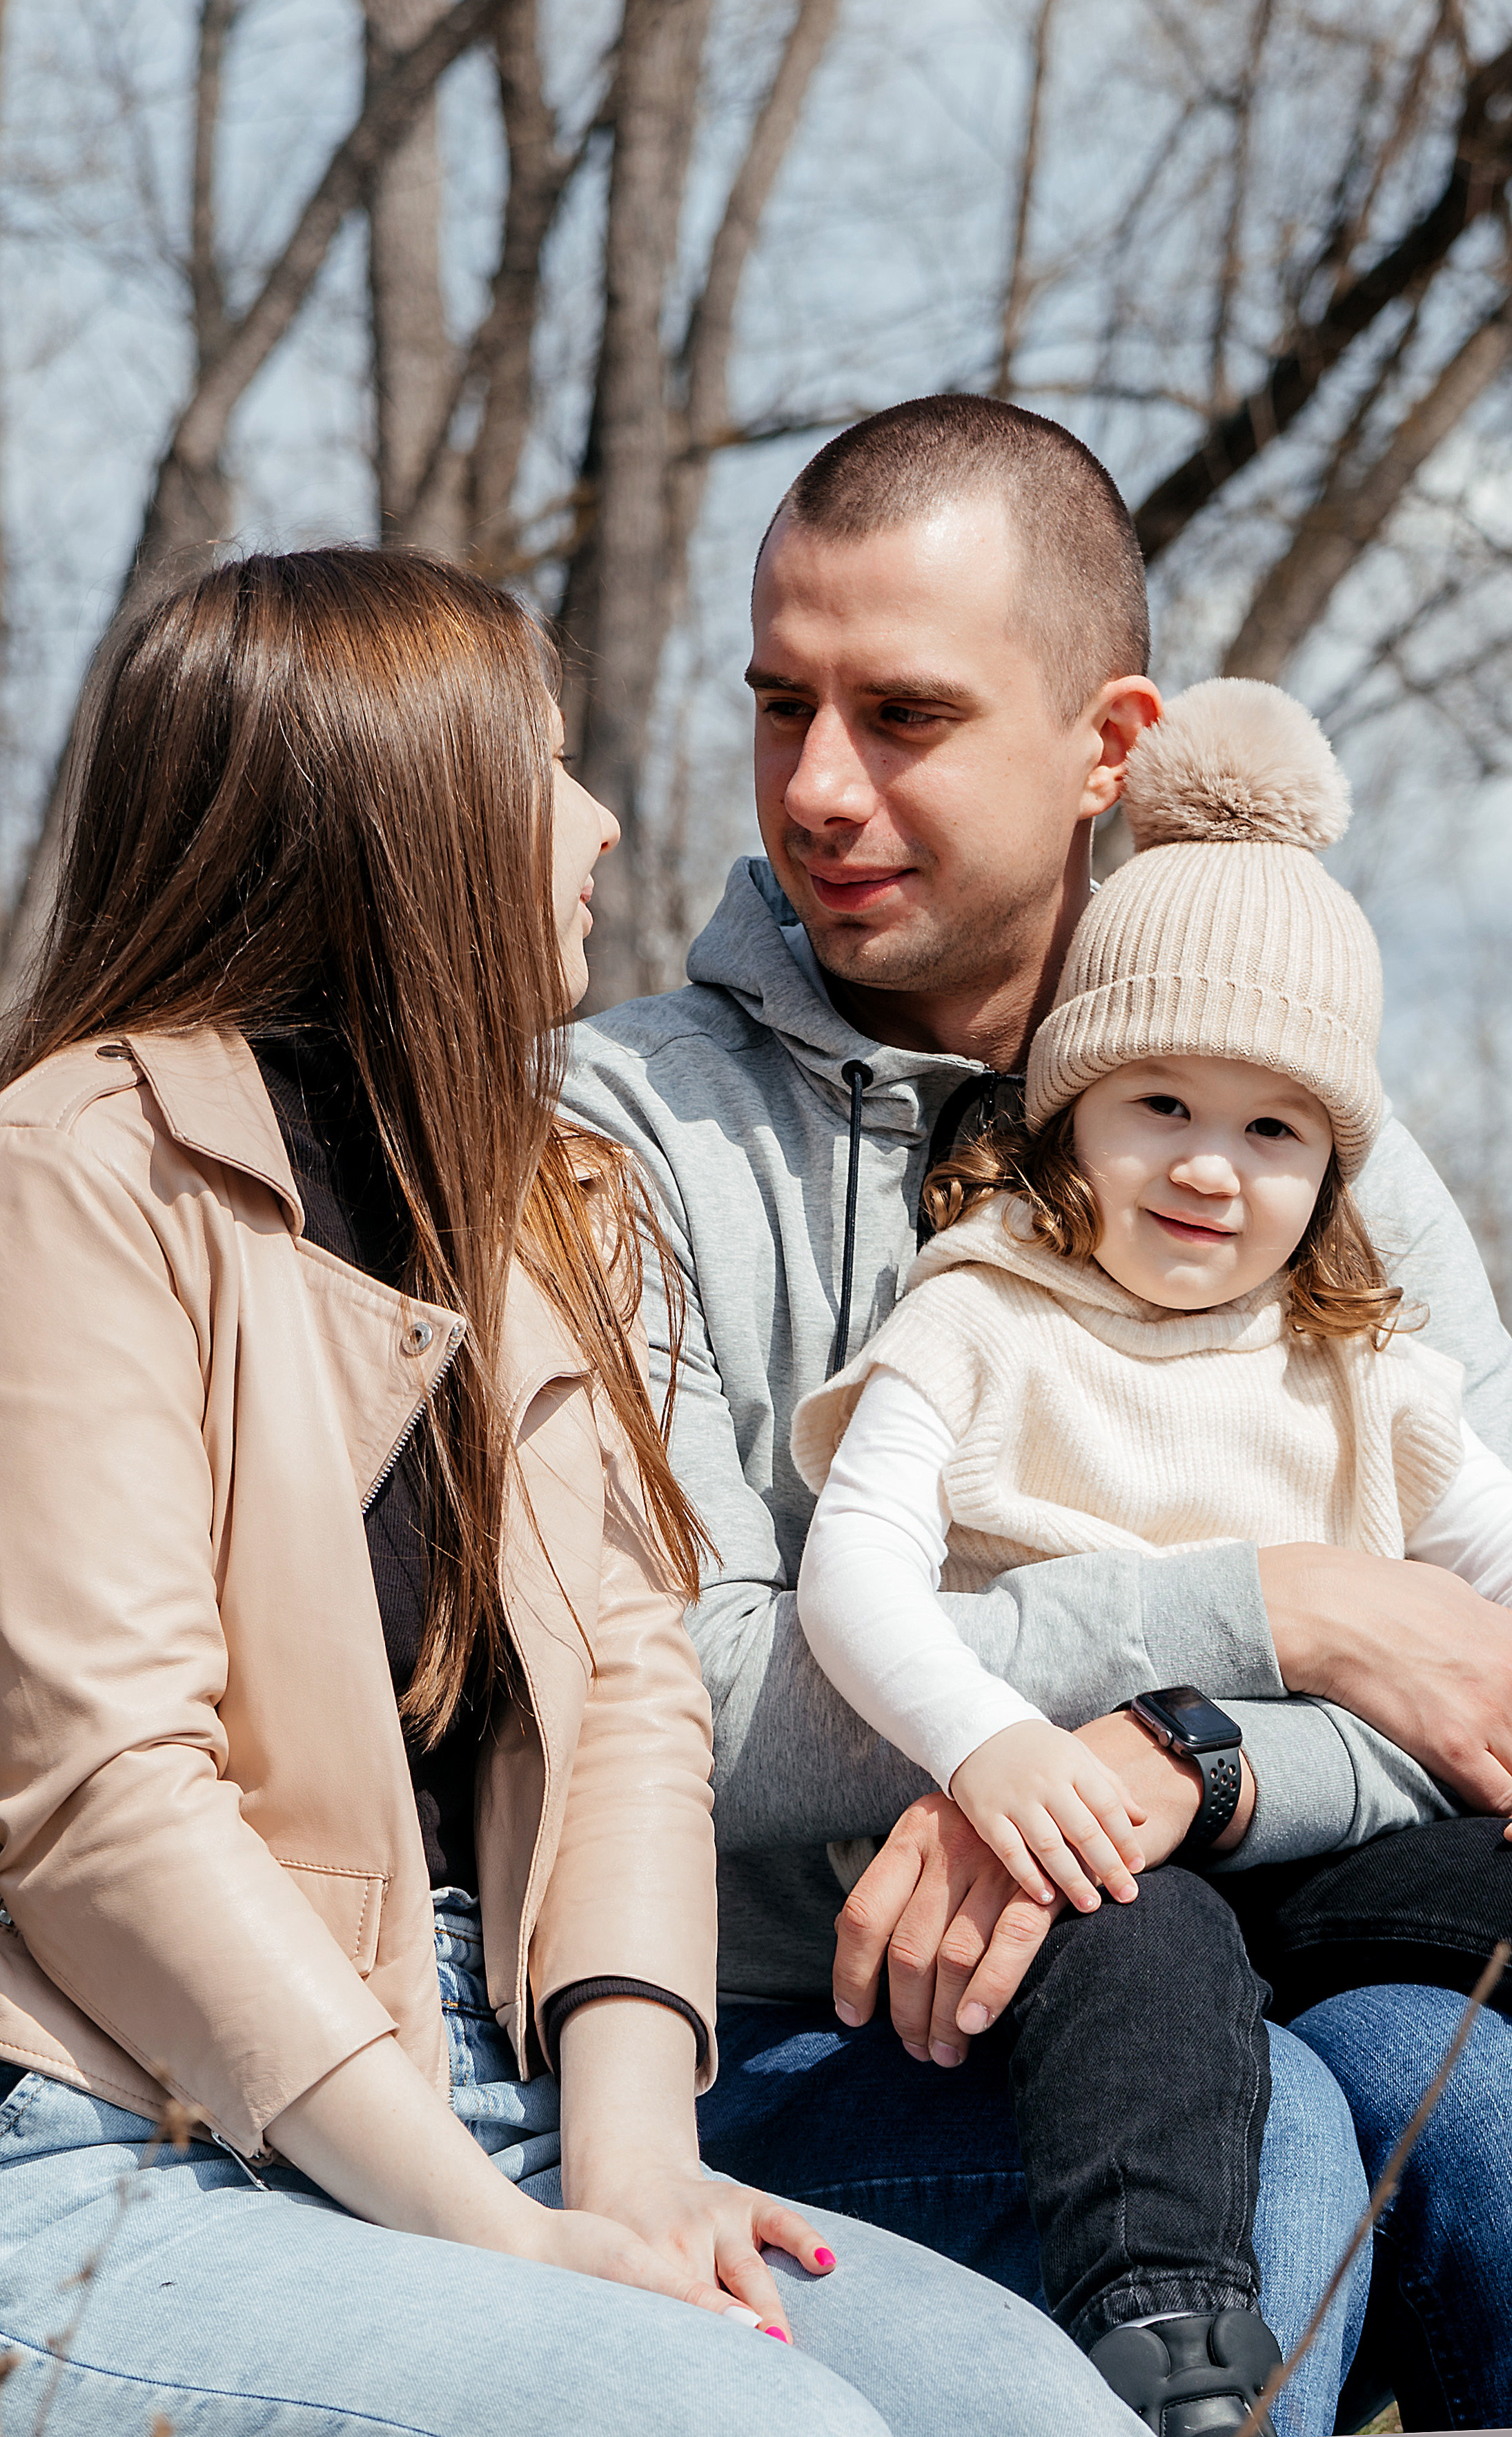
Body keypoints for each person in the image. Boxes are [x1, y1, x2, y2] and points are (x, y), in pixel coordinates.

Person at [0, 547, 1143, 2437]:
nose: (606, 823)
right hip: (122, 2129)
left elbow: (631, 1694)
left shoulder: (547, 1197)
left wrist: (628, 2167)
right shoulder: (71, 1180)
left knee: (1032, 2412)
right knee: (746, 2424)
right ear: (405, 806)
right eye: (547, 762)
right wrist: (486, 2235)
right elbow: (105, 1802)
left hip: (516, 2093)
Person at [564, 395, 1512, 2432]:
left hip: (1281, 1950)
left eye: (902, 714)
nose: (817, 787)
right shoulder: (623, 1129)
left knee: (1491, 2120)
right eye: (777, 704)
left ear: (1111, 742)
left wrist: (1186, 1761)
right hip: (808, 2039)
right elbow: (692, 1704)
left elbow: (1479, 1675)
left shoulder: (1304, 1122)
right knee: (1256, 2177)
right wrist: (1277, 1608)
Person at [792, 672, 1512, 2423]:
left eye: (1271, 1129)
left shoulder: (1369, 1368)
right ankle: (1175, 2335)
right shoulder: (984, 1319)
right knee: (1147, 1958)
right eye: (1158, 1107)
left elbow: (1485, 1619)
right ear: (1066, 1115)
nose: (1210, 1169)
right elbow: (855, 1573)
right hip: (1082, 1853)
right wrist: (987, 1743)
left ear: (1331, 1163)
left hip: (1317, 1844)